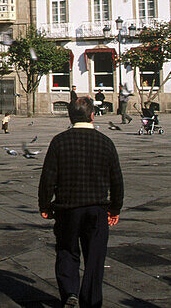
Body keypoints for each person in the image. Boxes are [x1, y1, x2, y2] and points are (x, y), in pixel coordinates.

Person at [39, 96, 123, 308]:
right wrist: (115, 208)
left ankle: (69, 293)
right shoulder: (106, 142)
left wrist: (45, 205)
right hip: (97, 207)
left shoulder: (59, 141)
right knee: (95, 256)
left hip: (67, 207)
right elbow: (116, 179)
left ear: (70, 115)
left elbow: (48, 177)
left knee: (67, 250)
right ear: (93, 115)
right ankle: (91, 300)